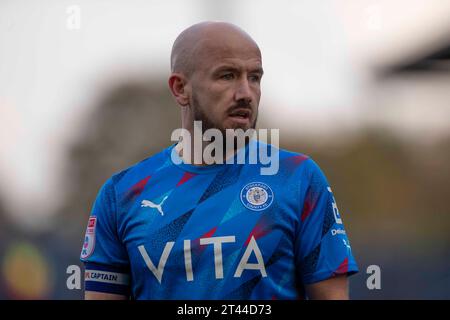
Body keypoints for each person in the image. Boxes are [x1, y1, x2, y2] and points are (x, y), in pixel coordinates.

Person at [80, 21, 358, 300]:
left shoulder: (298, 178)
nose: (246, 93)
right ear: (180, 89)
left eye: (255, 78)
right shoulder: (122, 195)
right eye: (227, 76)